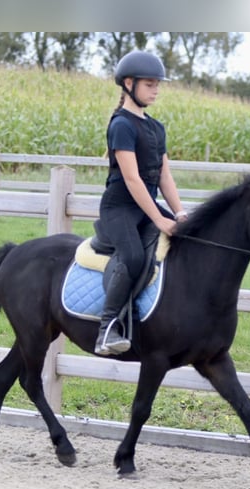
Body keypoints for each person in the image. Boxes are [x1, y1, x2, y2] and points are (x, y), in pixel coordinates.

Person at [94, 50, 188, 356]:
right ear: (129, 84)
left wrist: (179, 212)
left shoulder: (156, 127)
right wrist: (160, 220)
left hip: (145, 205)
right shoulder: (121, 124)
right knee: (133, 256)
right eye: (150, 84)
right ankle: (108, 327)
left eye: (158, 84)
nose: (156, 89)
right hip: (119, 207)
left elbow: (164, 176)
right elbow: (133, 180)